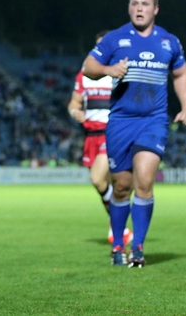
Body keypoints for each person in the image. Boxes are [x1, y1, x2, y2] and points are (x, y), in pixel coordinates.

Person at [84, 0, 186, 267]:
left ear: (155, 9)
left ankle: (139, 248)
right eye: (135, 3)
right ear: (129, 8)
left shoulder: (169, 42)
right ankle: (118, 245)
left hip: (153, 121)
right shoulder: (115, 39)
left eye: (145, 3)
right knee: (121, 187)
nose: (140, 8)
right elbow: (88, 67)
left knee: (144, 180)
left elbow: (181, 73)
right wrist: (109, 70)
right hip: (120, 122)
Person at [68, 31, 132, 247]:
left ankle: (119, 225)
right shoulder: (83, 75)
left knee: (97, 178)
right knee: (103, 185)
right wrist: (75, 112)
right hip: (90, 137)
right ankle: (118, 224)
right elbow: (74, 103)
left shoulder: (119, 73)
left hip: (110, 132)